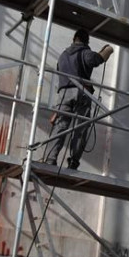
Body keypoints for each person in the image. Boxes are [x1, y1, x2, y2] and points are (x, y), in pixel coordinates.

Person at [44, 29, 113, 169]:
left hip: (63, 94)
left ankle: (50, 159)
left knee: (60, 127)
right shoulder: (85, 52)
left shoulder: (63, 56)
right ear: (86, 41)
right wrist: (108, 50)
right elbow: (97, 59)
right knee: (80, 128)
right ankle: (74, 161)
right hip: (81, 92)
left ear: (74, 38)